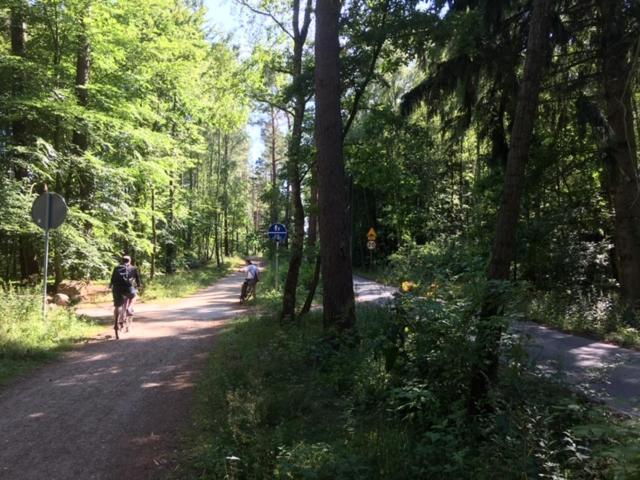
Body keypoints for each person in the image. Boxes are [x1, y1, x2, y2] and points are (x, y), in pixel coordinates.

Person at [109, 255, 142, 325]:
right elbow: (138, 279)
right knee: (134, 296)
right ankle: (129, 308)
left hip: (117, 288)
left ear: (122, 261)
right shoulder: (133, 268)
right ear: (130, 261)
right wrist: (139, 285)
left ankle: (116, 324)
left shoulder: (116, 268)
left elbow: (112, 278)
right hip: (128, 288)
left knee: (117, 306)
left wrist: (110, 285)